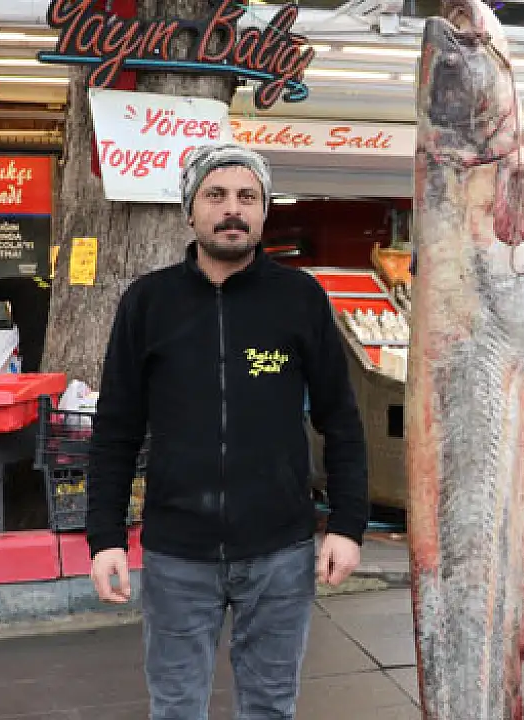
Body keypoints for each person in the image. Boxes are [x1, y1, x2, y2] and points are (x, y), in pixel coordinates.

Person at [86, 143, 370, 720]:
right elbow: (116, 429)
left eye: (247, 196)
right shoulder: (149, 302)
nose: (232, 209)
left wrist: (347, 525)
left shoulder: (300, 298)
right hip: (177, 553)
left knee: (270, 707)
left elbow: (340, 418)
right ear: (189, 210)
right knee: (175, 708)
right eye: (215, 195)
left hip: (280, 550)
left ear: (264, 212)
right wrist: (105, 537)